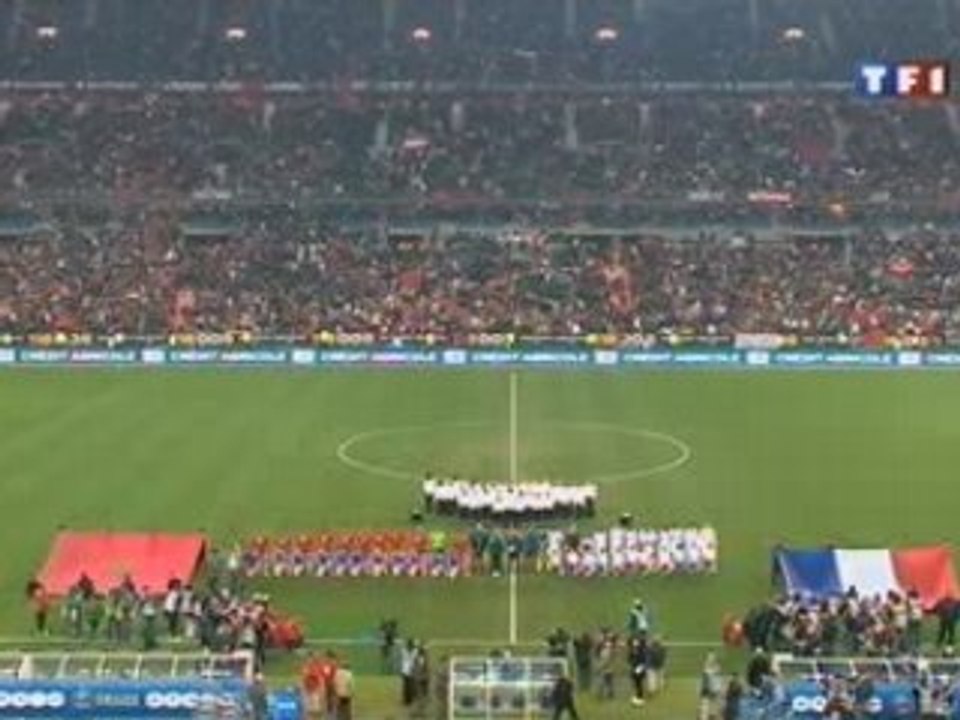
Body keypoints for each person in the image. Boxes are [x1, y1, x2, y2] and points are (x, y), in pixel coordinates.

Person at [699, 653, 722, 720]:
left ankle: (710, 715)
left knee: (710, 704)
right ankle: (708, 716)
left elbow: (715, 675)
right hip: (709, 689)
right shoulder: (708, 670)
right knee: (706, 705)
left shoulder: (713, 669)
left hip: (711, 689)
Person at [628, 633, 649, 707]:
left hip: (639, 669)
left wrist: (637, 671)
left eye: (636, 641)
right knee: (637, 684)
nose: (635, 642)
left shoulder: (641, 650)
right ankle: (638, 697)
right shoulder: (634, 649)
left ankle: (640, 698)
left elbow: (642, 661)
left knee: (639, 684)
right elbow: (631, 659)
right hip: (636, 669)